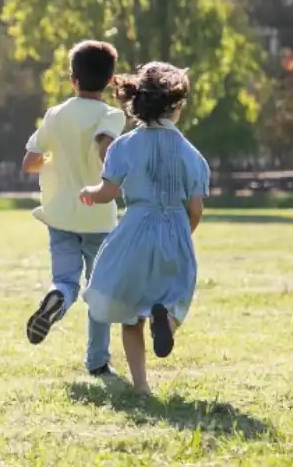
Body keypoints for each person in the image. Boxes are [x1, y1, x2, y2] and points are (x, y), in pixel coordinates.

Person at [80, 62, 209, 394]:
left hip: (134, 230)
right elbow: (196, 208)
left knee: (129, 313)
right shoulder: (192, 155)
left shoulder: (123, 146)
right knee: (176, 296)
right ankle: (165, 322)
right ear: (177, 106)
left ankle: (141, 387)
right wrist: (183, 232)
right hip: (175, 230)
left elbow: (108, 193)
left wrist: (89, 193)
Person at [22, 40, 126, 377]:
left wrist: (55, 163)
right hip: (97, 215)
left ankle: (57, 298)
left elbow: (30, 162)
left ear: (72, 79)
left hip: (59, 215)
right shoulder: (112, 114)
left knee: (65, 280)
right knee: (100, 290)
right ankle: (97, 361)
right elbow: (105, 147)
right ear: (111, 81)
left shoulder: (56, 114)